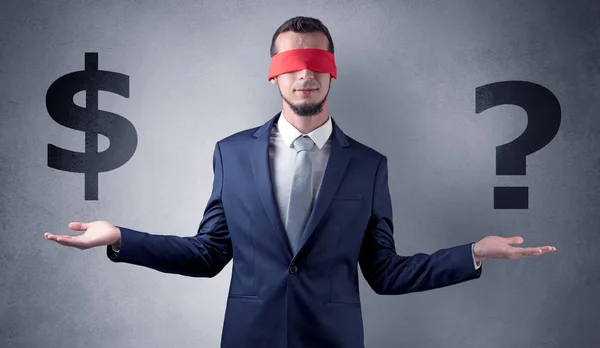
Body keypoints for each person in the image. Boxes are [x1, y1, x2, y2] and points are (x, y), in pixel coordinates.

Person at [44, 16, 556, 348]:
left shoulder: (368, 166)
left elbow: (384, 271)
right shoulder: (232, 153)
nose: (304, 74)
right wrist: (120, 239)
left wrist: (473, 252)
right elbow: (207, 254)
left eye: (316, 62)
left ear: (332, 72)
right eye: (291, 63)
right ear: (274, 75)